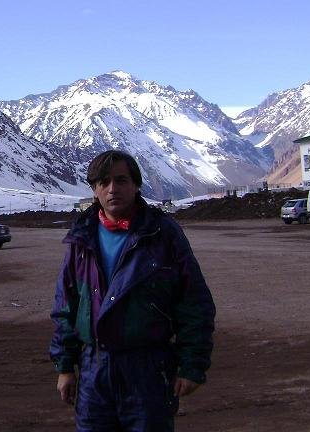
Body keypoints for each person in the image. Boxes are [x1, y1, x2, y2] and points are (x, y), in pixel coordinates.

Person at [50, 150, 216, 431]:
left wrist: (192, 366)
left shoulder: (162, 234)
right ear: (94, 189)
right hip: (94, 370)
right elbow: (66, 305)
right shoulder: (82, 238)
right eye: (103, 182)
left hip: (148, 369)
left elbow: (194, 302)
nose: (112, 188)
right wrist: (65, 367)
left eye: (121, 180)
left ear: (136, 185)